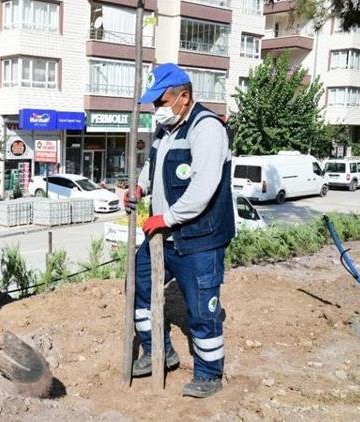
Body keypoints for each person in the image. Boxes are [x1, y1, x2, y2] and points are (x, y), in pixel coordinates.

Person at [124, 63, 235, 398]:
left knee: (202, 310)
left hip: (199, 239)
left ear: (183, 97)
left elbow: (203, 188)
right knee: (137, 285)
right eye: (154, 103)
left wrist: (166, 218)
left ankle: (208, 373)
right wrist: (139, 189)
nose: (156, 109)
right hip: (164, 238)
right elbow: (151, 167)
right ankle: (158, 351)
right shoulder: (166, 131)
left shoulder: (207, 129)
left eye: (162, 101)